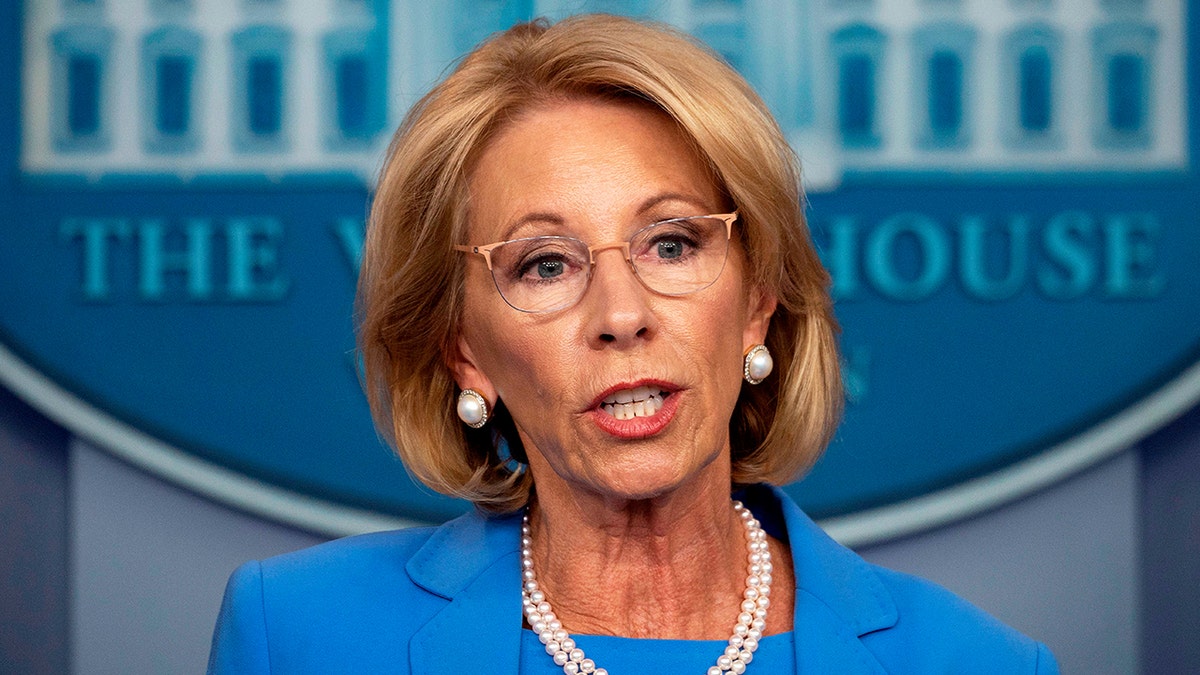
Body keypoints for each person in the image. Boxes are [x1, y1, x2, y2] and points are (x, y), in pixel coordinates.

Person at [208, 14, 1058, 674]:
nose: (622, 312)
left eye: (673, 244)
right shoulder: (299, 633)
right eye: (545, 264)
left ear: (758, 303)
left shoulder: (975, 660)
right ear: (462, 348)